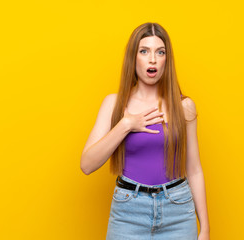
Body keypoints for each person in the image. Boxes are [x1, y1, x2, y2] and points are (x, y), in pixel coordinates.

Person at [80, 22, 210, 240]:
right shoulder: (114, 104)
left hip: (177, 210)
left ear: (166, 60)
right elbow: (87, 164)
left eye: (160, 52)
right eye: (144, 51)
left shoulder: (184, 106)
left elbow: (194, 168)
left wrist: (205, 228)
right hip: (128, 213)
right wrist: (126, 125)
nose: (153, 59)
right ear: (134, 58)